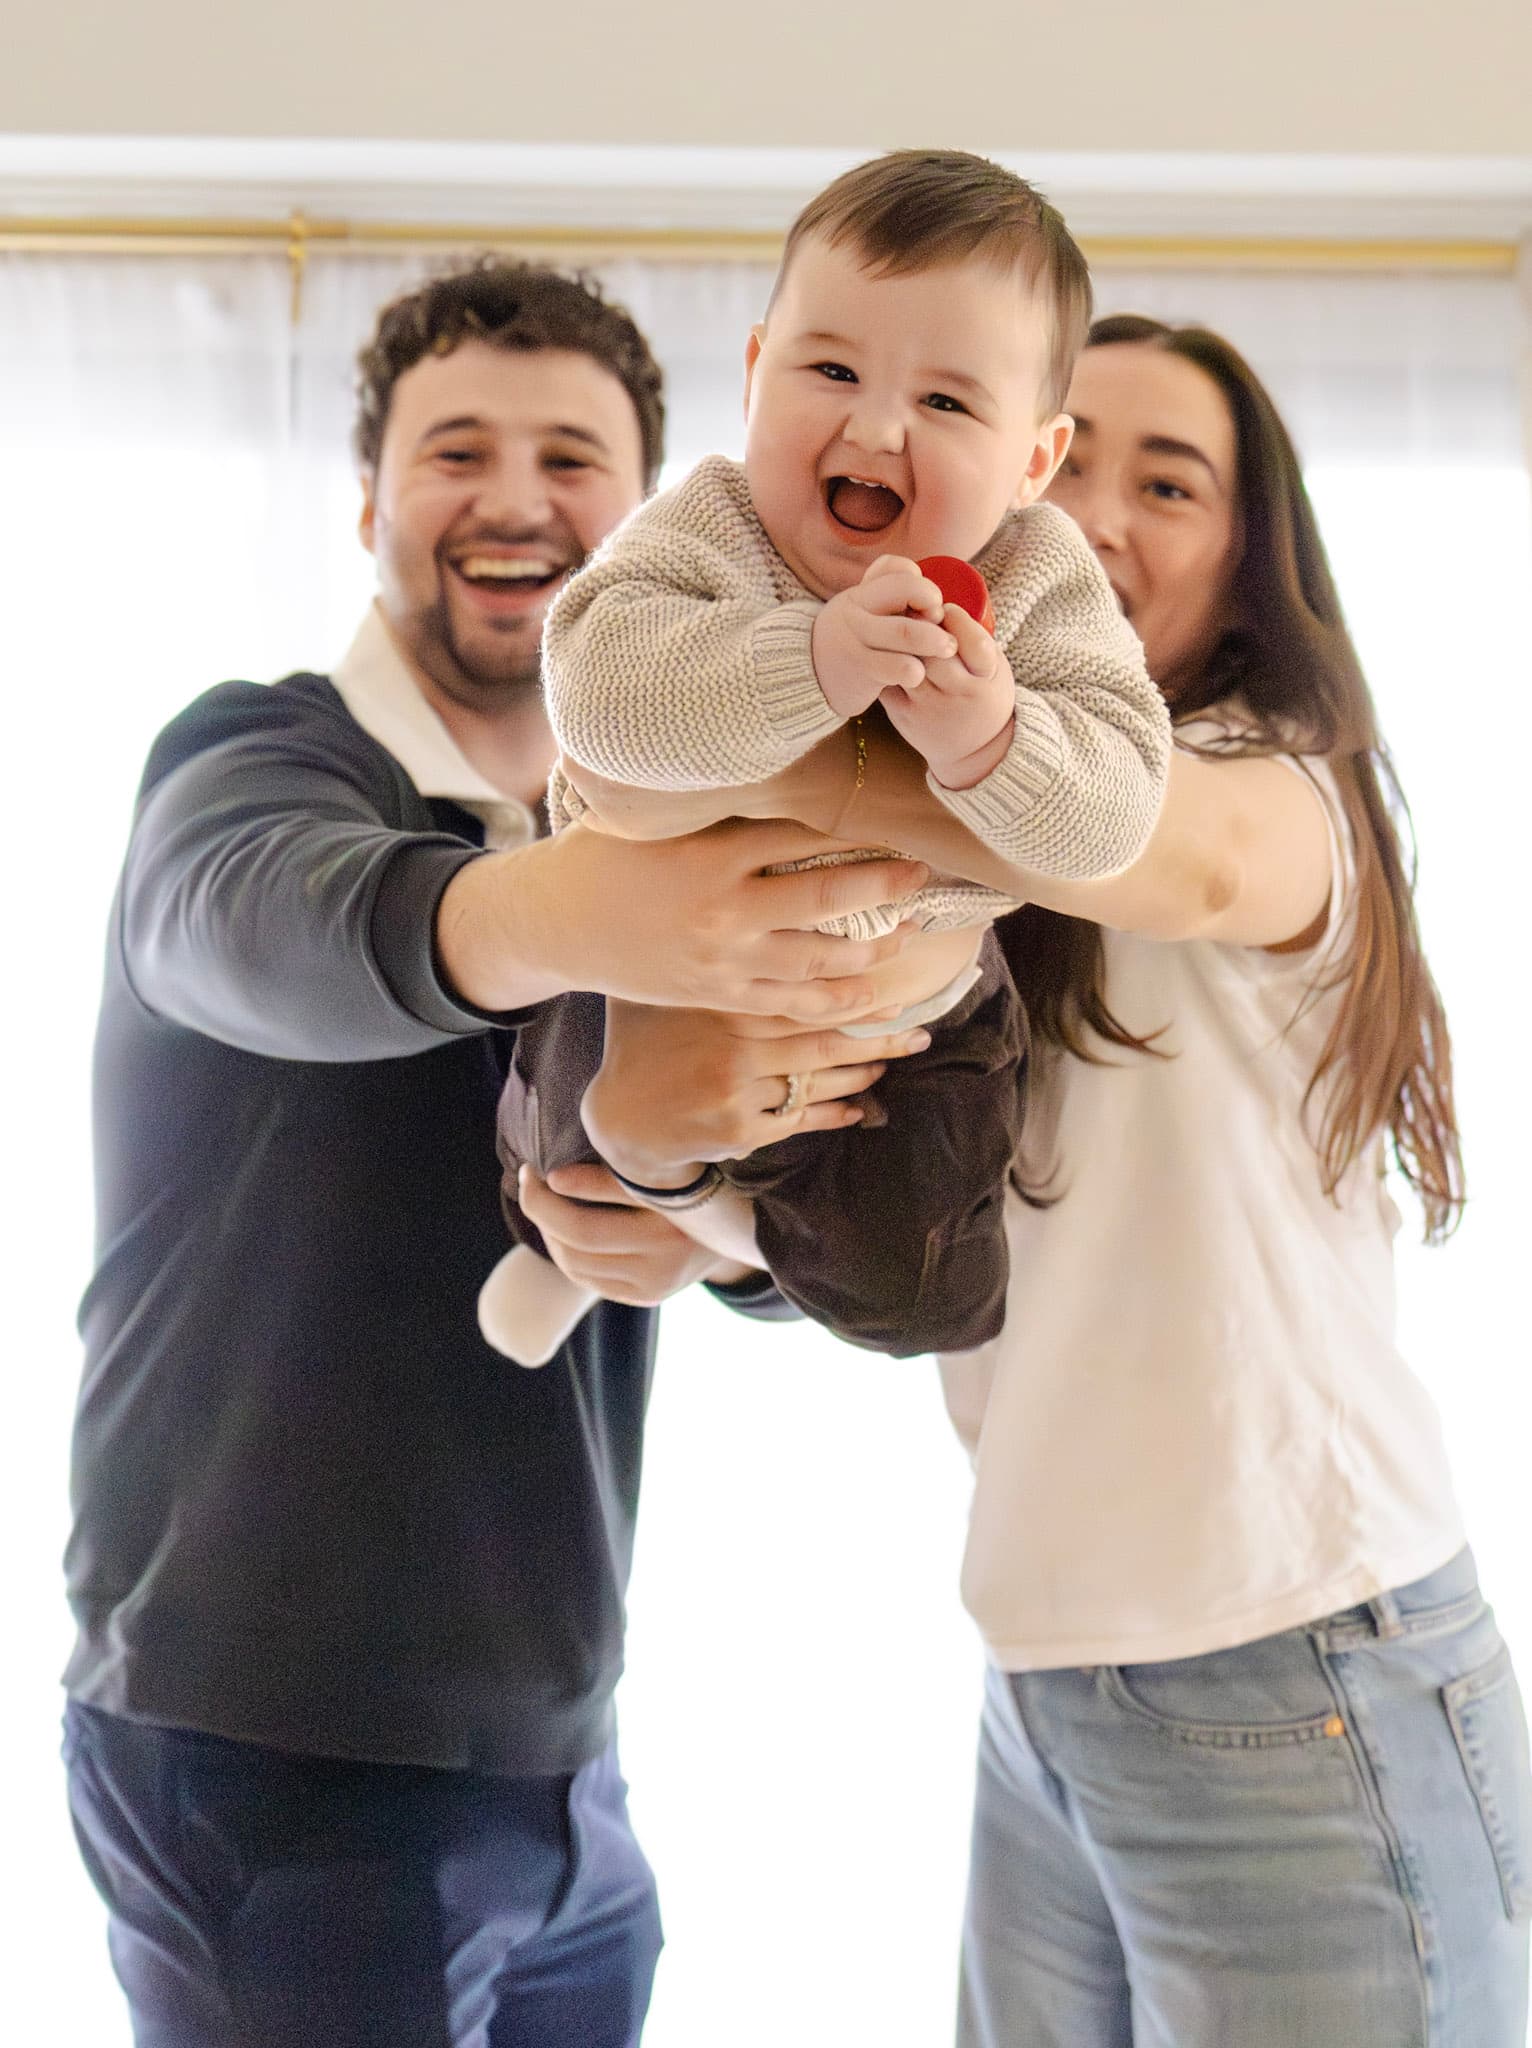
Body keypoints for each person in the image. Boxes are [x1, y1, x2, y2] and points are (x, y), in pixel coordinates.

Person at [562, 315, 1532, 2044]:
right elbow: (888, 1226)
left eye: (1165, 481)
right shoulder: (950, 898)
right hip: (1049, 1663)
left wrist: (644, 751)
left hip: (1299, 1650)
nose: (1090, 518)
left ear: (1249, 564)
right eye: (1066, 465)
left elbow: (1118, 836)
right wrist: (657, 1159)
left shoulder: (1280, 804)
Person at [60, 257, 946, 2048]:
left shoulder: (689, 841)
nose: (519, 498)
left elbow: (774, 1194)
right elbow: (252, 923)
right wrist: (578, 911)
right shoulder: (252, 761)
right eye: (456, 450)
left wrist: (715, 1233)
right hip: (271, 1752)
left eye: (574, 457)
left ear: (654, 530)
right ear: (372, 503)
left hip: (561, 1764)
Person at [478, 150, 1172, 1364]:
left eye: (948, 403)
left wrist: (991, 736)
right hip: (649, 962)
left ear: (1031, 460)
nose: (874, 423)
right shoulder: (709, 523)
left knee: (925, 1299)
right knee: (556, 1161)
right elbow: (595, 692)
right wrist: (810, 659)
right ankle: (581, 1255)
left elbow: (1114, 815)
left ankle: (715, 1230)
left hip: (906, 1010)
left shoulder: (1041, 581)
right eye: (831, 368)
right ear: (754, 374)